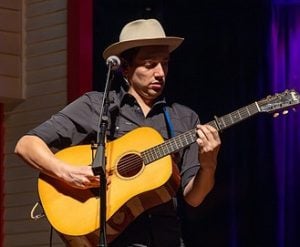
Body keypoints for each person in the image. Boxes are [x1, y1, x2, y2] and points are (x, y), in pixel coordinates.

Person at [15, 19, 221, 247]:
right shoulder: (97, 106)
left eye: (165, 63)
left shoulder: (184, 118)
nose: (160, 73)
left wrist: (209, 165)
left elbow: (194, 198)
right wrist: (67, 173)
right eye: (150, 64)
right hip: (111, 239)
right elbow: (26, 144)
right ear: (125, 67)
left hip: (166, 239)